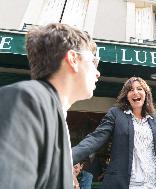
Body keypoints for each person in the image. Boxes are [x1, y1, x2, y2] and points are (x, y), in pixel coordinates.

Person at [0, 23, 100, 189]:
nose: (98, 72)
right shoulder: (27, 100)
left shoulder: (52, 114)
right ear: (73, 59)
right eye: (94, 61)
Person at [72, 76, 156, 189]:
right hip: (126, 184)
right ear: (126, 95)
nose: (135, 92)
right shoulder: (116, 114)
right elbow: (95, 138)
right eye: (130, 89)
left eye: (139, 89)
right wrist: (69, 156)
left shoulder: (155, 118)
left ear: (146, 94)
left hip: (154, 184)